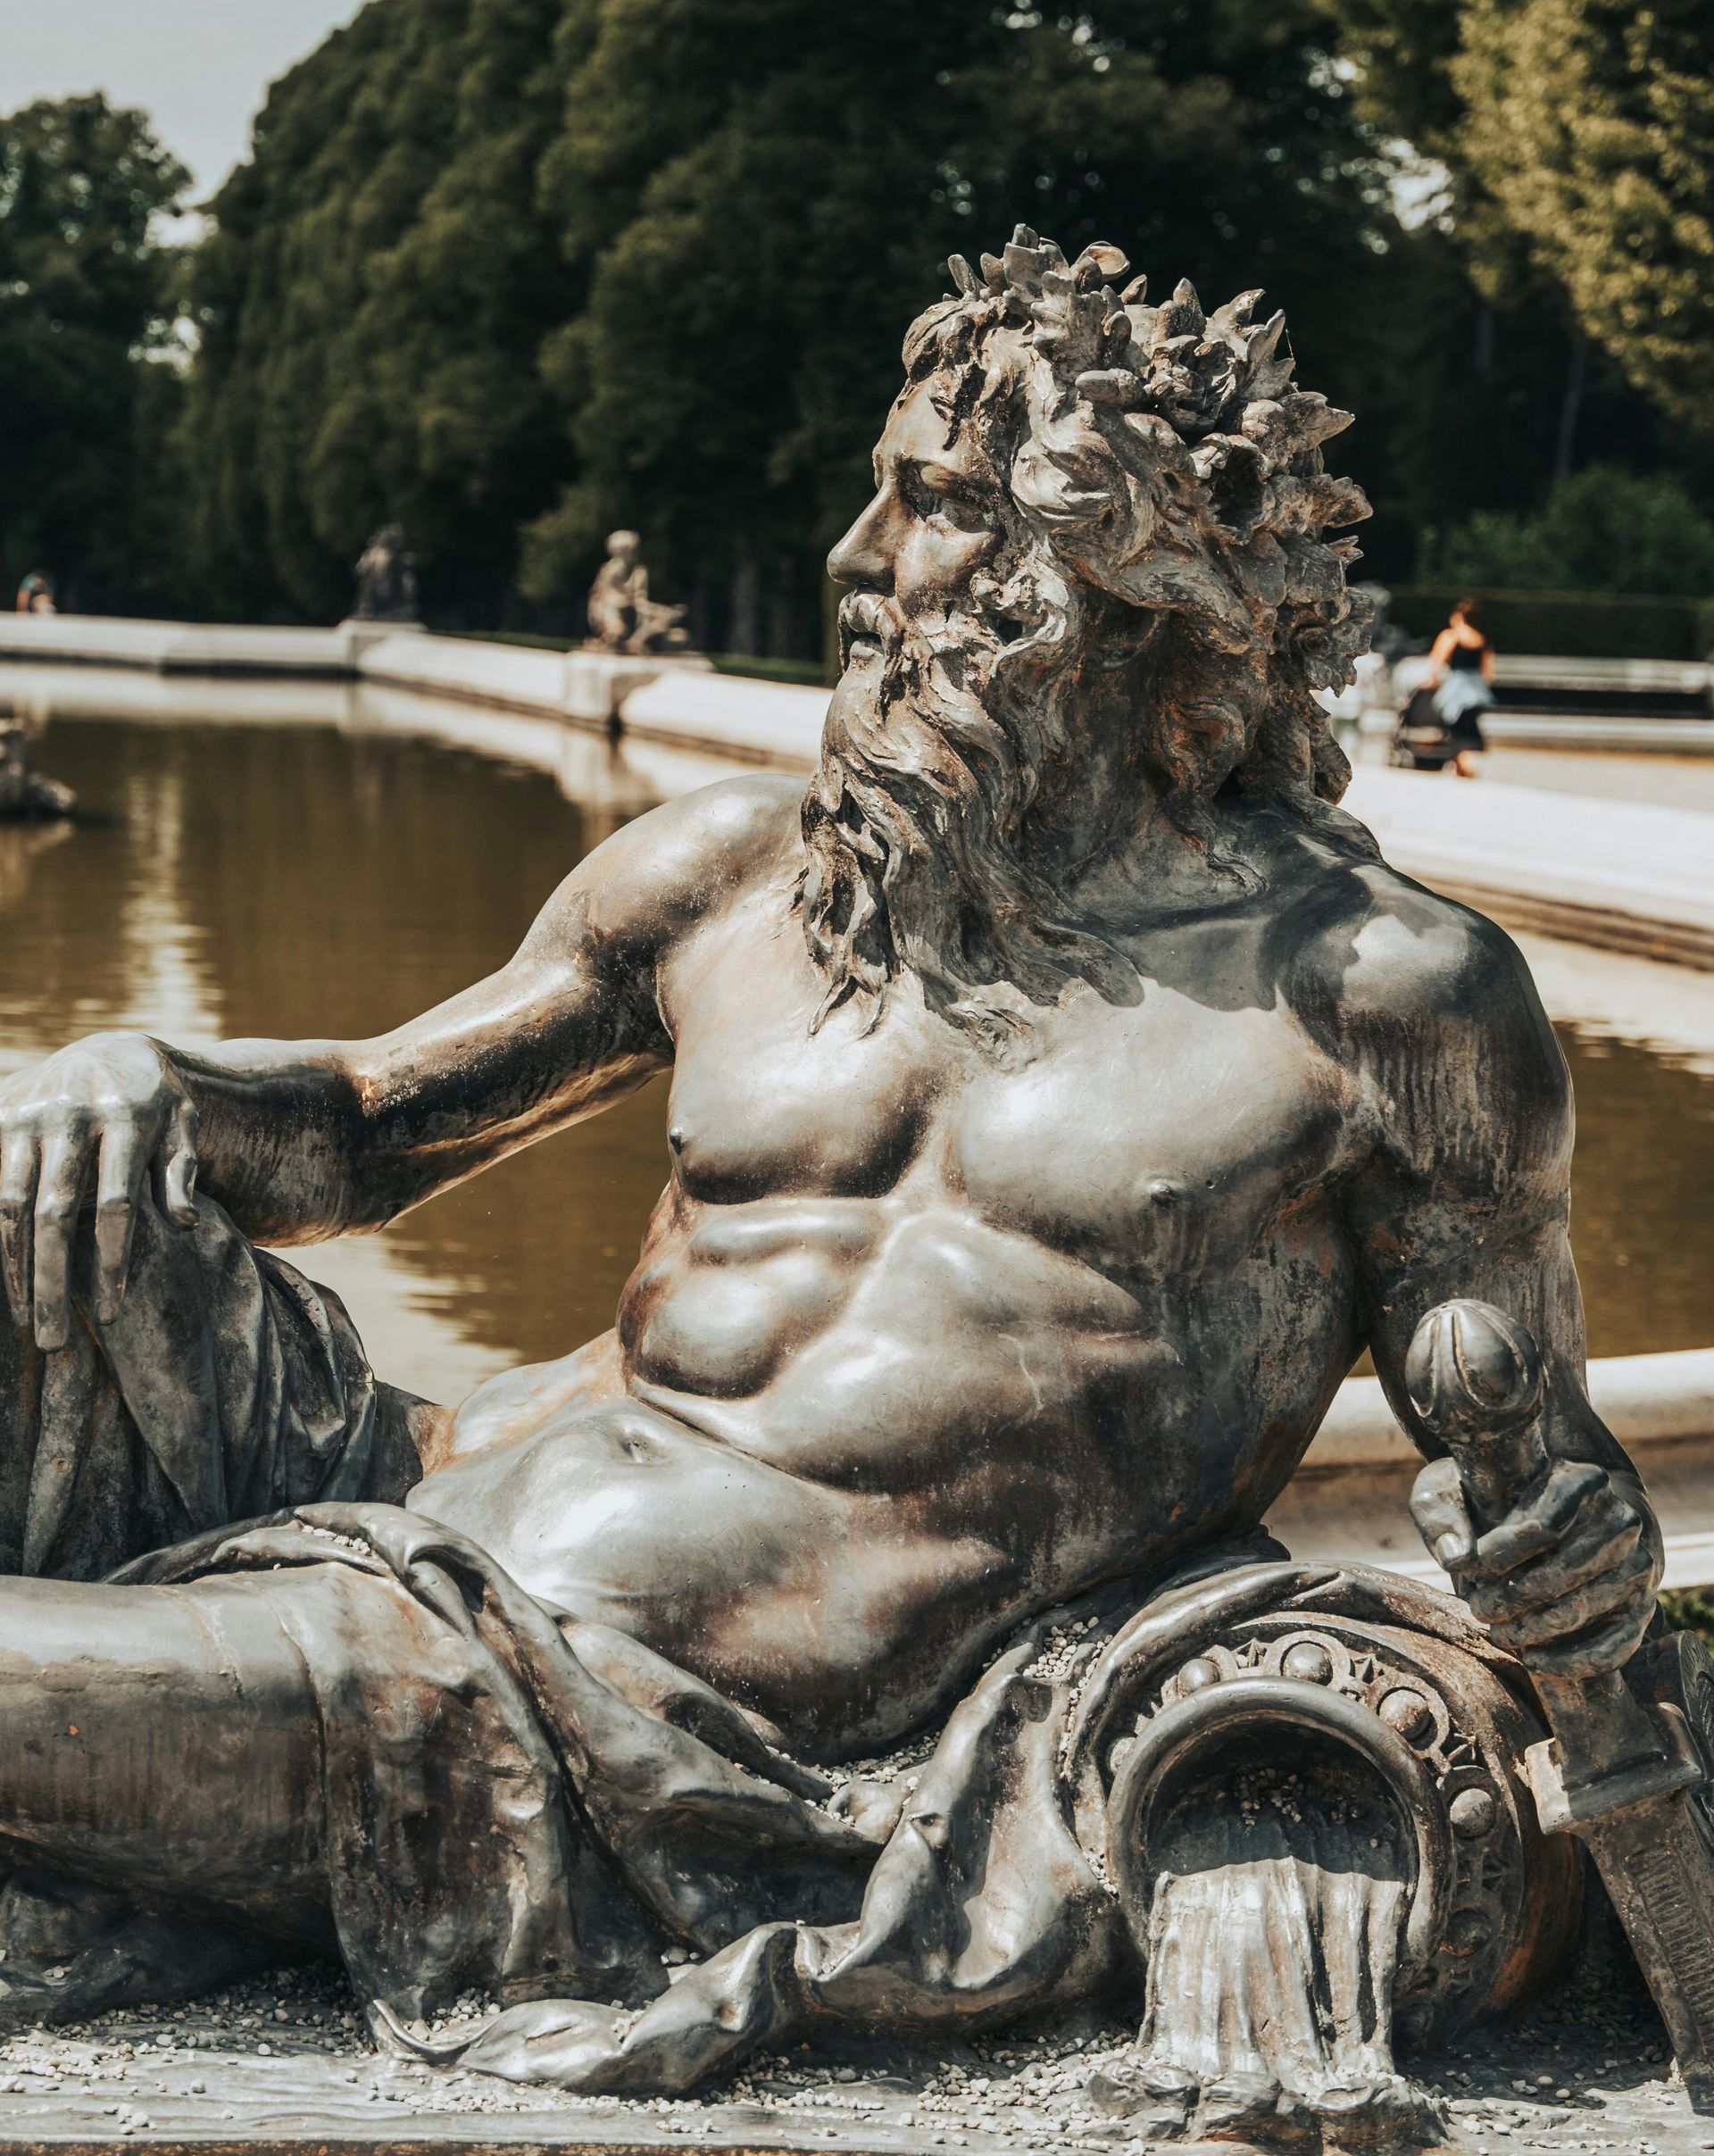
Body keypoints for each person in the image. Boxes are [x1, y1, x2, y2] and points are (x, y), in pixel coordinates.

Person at [0, 233, 1656, 2105]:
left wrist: (1572, 1548)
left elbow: (1539, 1461)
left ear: (1133, 577)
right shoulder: (735, 874)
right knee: (29, 1196)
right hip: (397, 1498)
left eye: (934, 507)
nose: (858, 566)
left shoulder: (1386, 1002)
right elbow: (367, 1134)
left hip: (599, 1722)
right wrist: (137, 1080)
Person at [1426, 595, 1496, 778]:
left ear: (1457, 615)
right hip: (1475, 691)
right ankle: (1463, 766)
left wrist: (1433, 682)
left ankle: (1464, 765)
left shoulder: (1451, 636)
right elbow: (1488, 673)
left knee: (1453, 728)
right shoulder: (1481, 639)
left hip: (1456, 689)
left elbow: (1436, 662)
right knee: (1467, 728)